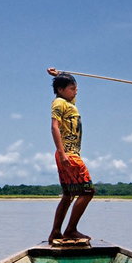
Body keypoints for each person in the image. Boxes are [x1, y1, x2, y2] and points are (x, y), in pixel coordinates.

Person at [47, 67, 94, 244]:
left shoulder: (69, 103)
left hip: (67, 154)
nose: (76, 91)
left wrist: (59, 75)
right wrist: (62, 153)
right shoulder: (59, 103)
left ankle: (56, 233)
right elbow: (54, 127)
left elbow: (68, 91)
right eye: (72, 88)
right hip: (68, 154)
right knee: (88, 191)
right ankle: (71, 229)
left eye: (75, 88)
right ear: (61, 90)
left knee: (68, 195)